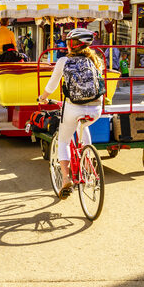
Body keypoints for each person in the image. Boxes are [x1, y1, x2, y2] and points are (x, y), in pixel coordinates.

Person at [37, 28, 105, 199]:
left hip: (74, 107)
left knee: (64, 141)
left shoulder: (63, 61)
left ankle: (66, 178)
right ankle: (88, 161)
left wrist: (42, 98)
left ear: (72, 45)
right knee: (84, 125)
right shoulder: (95, 60)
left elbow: (51, 86)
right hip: (96, 108)